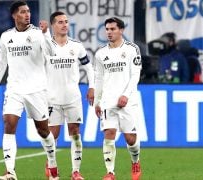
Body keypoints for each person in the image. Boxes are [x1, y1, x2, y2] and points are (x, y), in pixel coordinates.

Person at [0, 1, 59, 180]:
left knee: (43, 130)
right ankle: (10, 172)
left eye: (28, 11)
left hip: (36, 89)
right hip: (14, 89)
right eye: (22, 12)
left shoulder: (37, 33)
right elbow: (1, 62)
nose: (27, 15)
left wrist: (46, 33)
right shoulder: (6, 37)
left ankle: (52, 164)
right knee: (9, 124)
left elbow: (52, 53)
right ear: (14, 15)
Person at [44, 11, 94, 180]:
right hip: (52, 98)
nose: (64, 25)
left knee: (75, 132)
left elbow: (88, 67)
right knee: (52, 135)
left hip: (73, 97)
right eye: (60, 22)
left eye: (66, 21)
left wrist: (92, 87)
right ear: (53, 25)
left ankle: (76, 171)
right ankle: (52, 166)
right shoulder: (45, 46)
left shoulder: (76, 46)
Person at [94, 17, 142, 180]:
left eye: (113, 29)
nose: (109, 32)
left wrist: (126, 95)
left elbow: (135, 75)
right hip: (108, 101)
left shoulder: (131, 49)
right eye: (107, 29)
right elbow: (98, 79)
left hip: (127, 101)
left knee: (130, 138)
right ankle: (110, 172)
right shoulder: (101, 53)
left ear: (121, 30)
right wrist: (97, 101)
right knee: (109, 133)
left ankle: (135, 161)